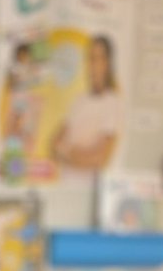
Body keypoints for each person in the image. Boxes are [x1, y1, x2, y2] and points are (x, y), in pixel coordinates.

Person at [50, 34, 120, 175]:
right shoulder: (79, 100)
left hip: (89, 189)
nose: (92, 65)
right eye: (90, 58)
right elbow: (54, 144)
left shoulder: (112, 102)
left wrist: (67, 153)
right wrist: (77, 155)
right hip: (64, 185)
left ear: (106, 63)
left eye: (97, 59)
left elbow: (99, 158)